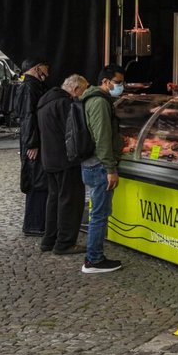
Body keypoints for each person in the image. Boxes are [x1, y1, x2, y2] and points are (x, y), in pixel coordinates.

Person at [78, 64, 126, 274]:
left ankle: (94, 257)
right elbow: (103, 138)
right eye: (118, 83)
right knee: (98, 214)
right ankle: (94, 260)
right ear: (106, 82)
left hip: (92, 163)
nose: (121, 87)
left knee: (98, 212)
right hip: (99, 166)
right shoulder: (99, 102)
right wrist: (110, 168)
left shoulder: (91, 98)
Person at [36, 74, 88, 255]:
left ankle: (49, 239)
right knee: (70, 201)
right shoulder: (65, 104)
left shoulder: (46, 100)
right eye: (83, 90)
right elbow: (74, 132)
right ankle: (65, 243)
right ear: (75, 89)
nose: (83, 94)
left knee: (54, 199)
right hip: (65, 160)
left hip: (49, 158)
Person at [16, 57, 51, 236]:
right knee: (37, 182)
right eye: (46, 66)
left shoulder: (30, 86)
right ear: (38, 68)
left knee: (38, 181)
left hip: (33, 140)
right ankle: (35, 224)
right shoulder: (29, 88)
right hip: (33, 142)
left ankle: (36, 223)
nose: (48, 70)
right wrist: (32, 143)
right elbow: (28, 117)